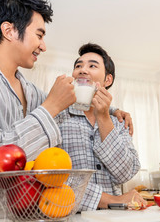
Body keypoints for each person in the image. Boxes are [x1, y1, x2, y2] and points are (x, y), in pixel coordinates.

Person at [0, 0, 132, 221]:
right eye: (39, 35)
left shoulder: (31, 93)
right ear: (9, 30)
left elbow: (72, 109)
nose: (43, 46)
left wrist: (112, 111)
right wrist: (51, 107)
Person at [55, 43, 146, 211]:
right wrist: (111, 200)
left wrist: (104, 117)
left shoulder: (119, 123)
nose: (82, 70)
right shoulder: (58, 117)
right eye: (78, 66)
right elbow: (51, 176)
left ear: (107, 80)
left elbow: (125, 173)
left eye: (92, 65)